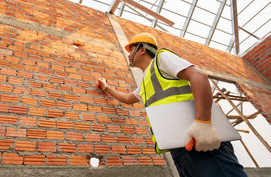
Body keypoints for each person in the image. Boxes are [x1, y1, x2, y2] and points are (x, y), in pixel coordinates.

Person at [97, 32, 247, 177]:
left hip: (200, 138)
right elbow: (129, 98)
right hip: (179, 148)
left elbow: (198, 75)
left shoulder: (161, 58)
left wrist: (203, 122)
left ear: (142, 49)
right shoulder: (145, 81)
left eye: (131, 50)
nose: (129, 55)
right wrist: (106, 87)